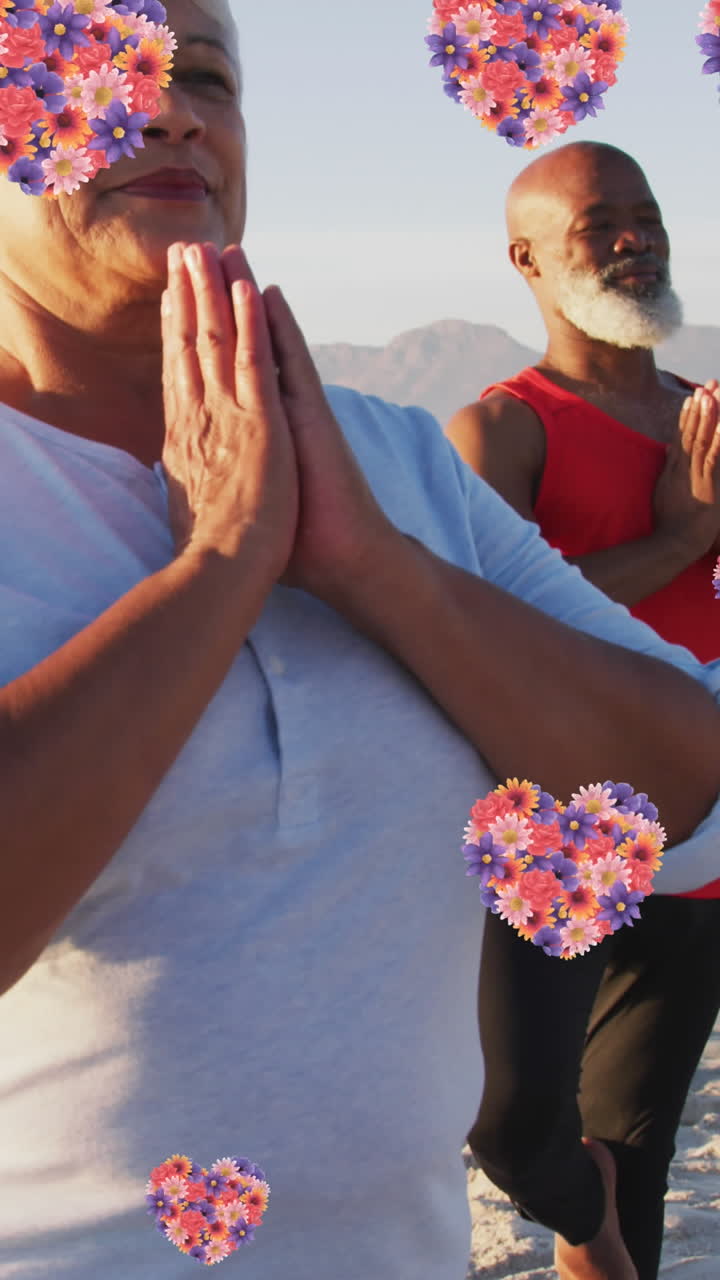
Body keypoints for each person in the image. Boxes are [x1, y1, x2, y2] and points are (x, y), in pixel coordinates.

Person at [0, 15, 719, 1278]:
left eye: (208, 75)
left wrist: (374, 569)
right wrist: (219, 564)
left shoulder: (384, 461)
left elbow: (682, 788)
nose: (174, 112)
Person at [447, 140, 720, 1280]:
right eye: (600, 219)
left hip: (701, 831)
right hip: (550, 833)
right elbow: (475, 625)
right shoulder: (501, 432)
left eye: (646, 212)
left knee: (639, 1138)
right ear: (527, 258)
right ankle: (586, 1228)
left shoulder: (708, 415)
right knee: (512, 1127)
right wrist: (673, 539)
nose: (634, 234)